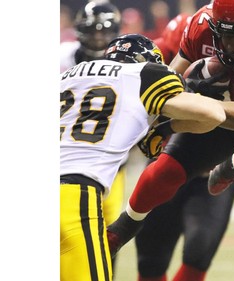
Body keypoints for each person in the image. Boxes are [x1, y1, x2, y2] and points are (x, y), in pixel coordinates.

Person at [107, 2, 234, 278]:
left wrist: (190, 108)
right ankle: (121, 230)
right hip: (215, 117)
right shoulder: (201, 25)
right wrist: (154, 123)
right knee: (167, 168)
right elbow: (167, 81)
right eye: (224, 34)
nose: (229, 45)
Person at [60, 33, 226, 281]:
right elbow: (214, 114)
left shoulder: (68, 75)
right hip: (73, 193)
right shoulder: (144, 74)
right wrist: (165, 127)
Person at [133, 12, 234, 281]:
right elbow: (151, 66)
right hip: (169, 156)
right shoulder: (190, 26)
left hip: (213, 171)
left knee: (198, 255)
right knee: (150, 260)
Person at [59, 2, 127, 274]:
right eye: (93, 31)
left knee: (109, 237)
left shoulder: (127, 64)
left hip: (112, 167)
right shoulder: (62, 57)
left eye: (104, 32)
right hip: (71, 163)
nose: (98, 38)